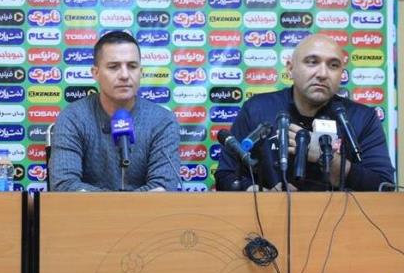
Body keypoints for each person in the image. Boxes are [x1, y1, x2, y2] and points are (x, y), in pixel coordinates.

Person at [215, 33, 394, 191]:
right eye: (312, 62)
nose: (322, 73)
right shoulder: (258, 109)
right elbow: (226, 175)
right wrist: (263, 195)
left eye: (333, 65)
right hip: (270, 216)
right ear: (290, 68)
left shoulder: (361, 118)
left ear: (341, 74)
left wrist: (326, 158)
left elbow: (384, 186)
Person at [49, 30, 180, 191]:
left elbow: (163, 187)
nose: (124, 75)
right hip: (92, 210)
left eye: (132, 66)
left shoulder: (162, 120)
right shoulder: (73, 117)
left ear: (141, 72)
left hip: (138, 211)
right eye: (113, 67)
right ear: (95, 73)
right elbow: (64, 185)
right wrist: (117, 204)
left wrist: (112, 203)